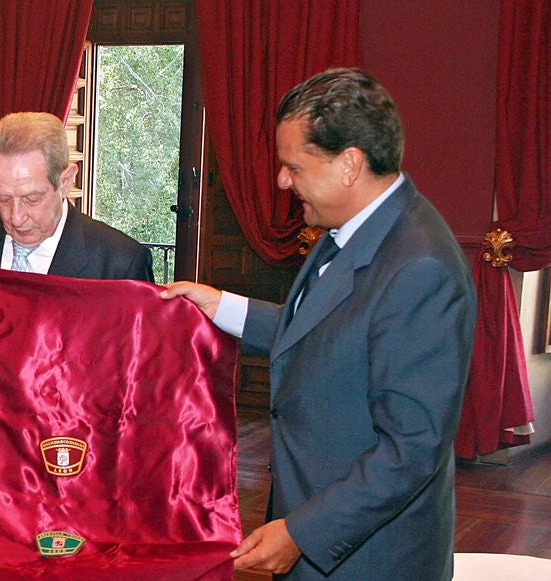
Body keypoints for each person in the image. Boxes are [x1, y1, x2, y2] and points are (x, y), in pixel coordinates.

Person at [161, 68, 475, 579]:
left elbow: (411, 448)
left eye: (294, 167)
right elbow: (327, 332)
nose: (283, 181)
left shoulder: (420, 268)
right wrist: (223, 306)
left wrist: (303, 532)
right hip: (317, 521)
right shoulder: (354, 225)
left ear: (349, 164)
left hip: (367, 556)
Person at [0, 112, 156, 284]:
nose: (16, 218)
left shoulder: (120, 262)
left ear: (65, 182)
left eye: (31, 199)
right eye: (4, 199)